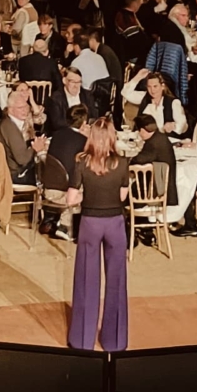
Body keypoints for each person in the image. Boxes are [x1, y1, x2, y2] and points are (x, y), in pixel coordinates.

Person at [67, 117, 130, 352]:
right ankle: (115, 341)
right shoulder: (122, 163)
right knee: (117, 282)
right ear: (113, 137)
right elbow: (122, 196)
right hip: (115, 224)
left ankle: (83, 340)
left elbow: (71, 199)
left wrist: (88, 196)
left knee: (86, 279)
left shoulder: (81, 162)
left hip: (90, 224)